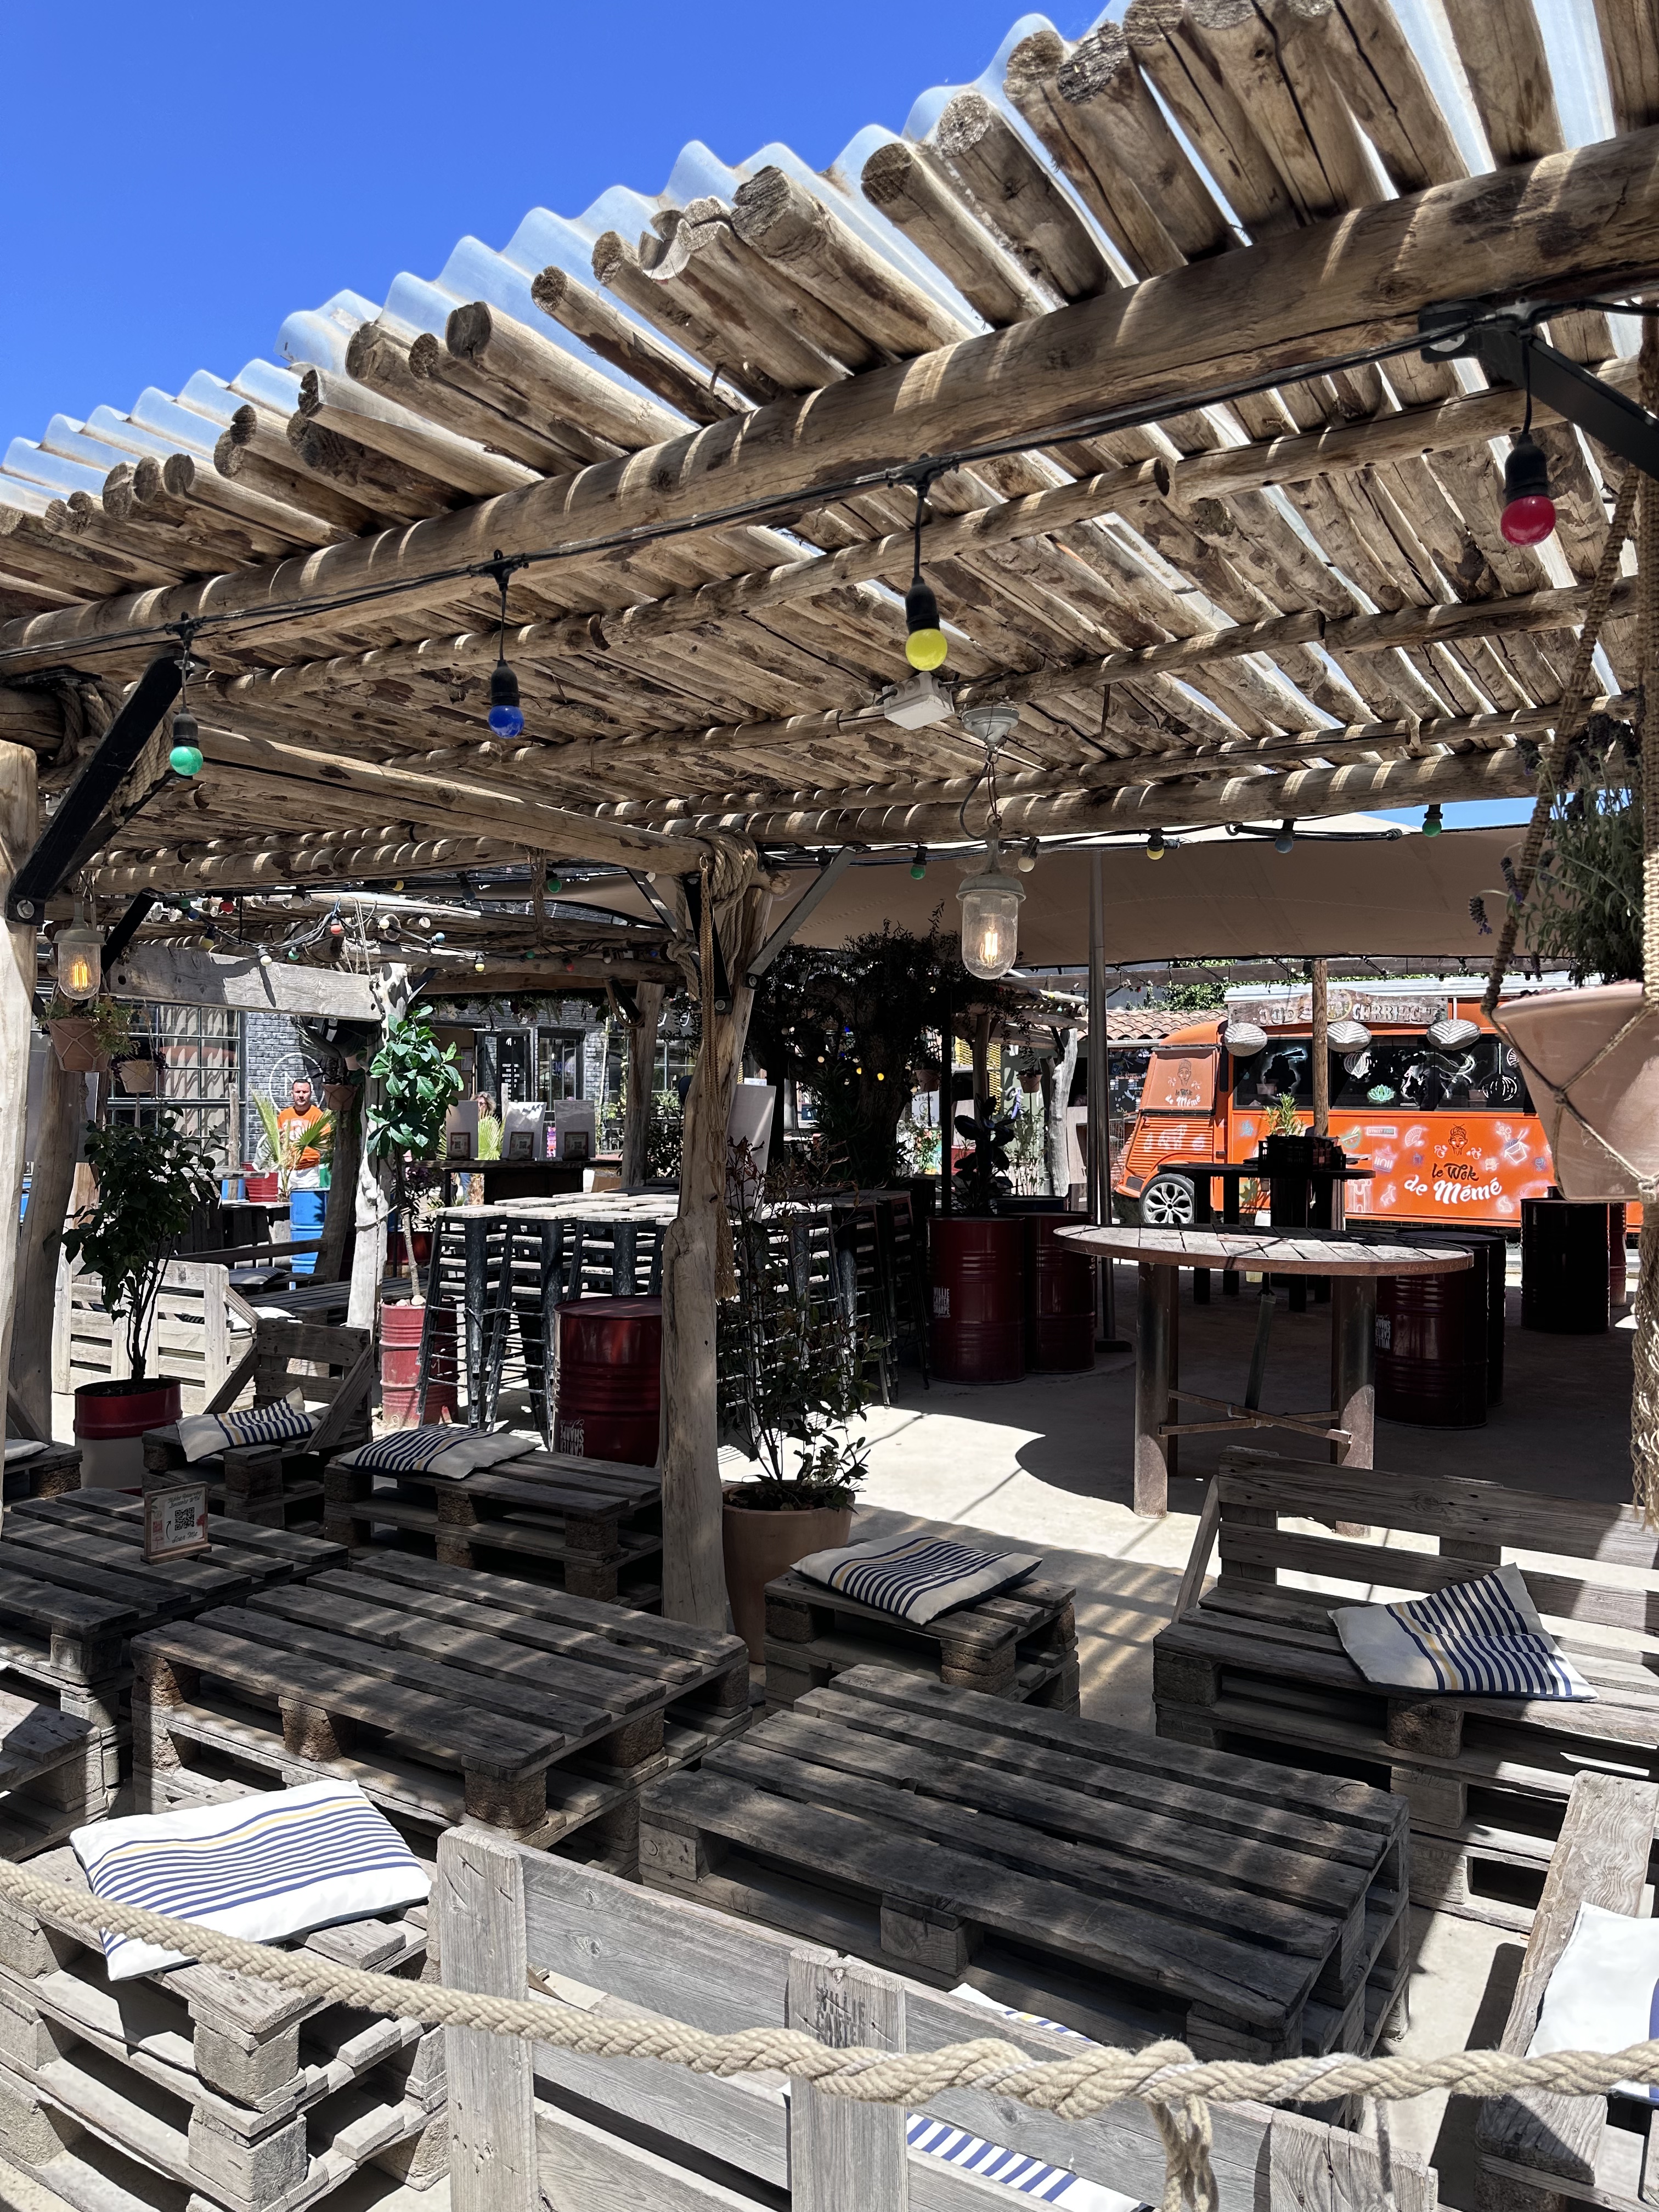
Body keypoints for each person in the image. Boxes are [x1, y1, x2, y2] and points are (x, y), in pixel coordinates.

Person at [278, 1077, 329, 1277]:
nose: (301, 1095)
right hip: (287, 1169)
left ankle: (307, 1254)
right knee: (285, 1211)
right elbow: (278, 1140)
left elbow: (326, 1141)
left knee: (306, 1209)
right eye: (298, 1092)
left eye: (305, 1092)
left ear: (310, 1093)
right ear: (292, 1093)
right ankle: (285, 1254)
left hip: (309, 1169)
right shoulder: (284, 1115)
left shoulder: (317, 1115)